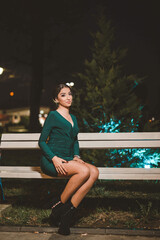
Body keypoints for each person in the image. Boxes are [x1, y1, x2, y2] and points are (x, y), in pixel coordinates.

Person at [38, 83, 99, 235]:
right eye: (63, 95)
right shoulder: (53, 116)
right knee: (84, 171)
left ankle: (63, 215)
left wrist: (76, 156)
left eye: (69, 94)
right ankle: (58, 204)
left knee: (94, 172)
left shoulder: (73, 117)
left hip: (68, 158)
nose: (68, 97)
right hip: (52, 160)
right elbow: (41, 141)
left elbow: (75, 140)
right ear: (56, 99)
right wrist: (54, 158)